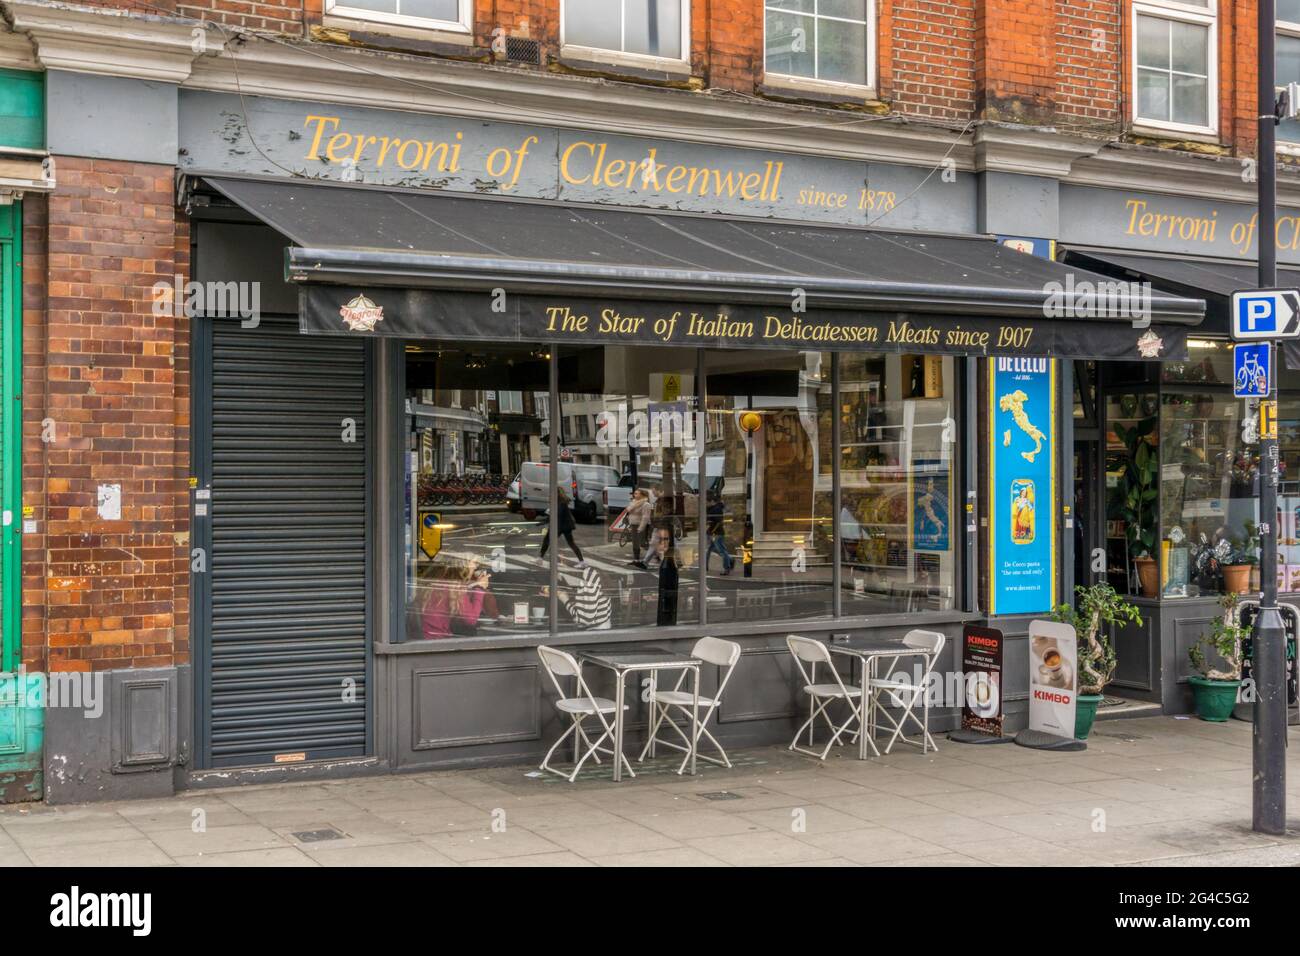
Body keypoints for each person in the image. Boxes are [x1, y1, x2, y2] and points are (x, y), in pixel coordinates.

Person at [421, 557, 490, 639]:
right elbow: (471, 619)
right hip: (436, 638)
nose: (475, 567)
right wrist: (480, 588)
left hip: (426, 635)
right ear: (464, 564)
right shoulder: (454, 587)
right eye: (474, 563)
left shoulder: (439, 581)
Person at [557, 564, 613, 629]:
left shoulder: (589, 574)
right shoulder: (593, 570)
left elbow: (586, 618)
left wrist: (564, 598)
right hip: (601, 629)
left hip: (594, 632)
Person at [539, 485, 584, 564]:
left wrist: (549, 519)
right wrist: (546, 520)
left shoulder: (560, 502)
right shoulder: (560, 501)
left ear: (556, 493)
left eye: (552, 493)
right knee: (571, 543)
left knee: (547, 541)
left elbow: (557, 514)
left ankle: (540, 559)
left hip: (561, 526)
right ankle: (582, 562)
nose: (550, 494)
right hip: (564, 526)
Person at [706, 491, 733, 574]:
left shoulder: (717, 509)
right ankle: (729, 560)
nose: (705, 504)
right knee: (709, 549)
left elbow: (718, 522)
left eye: (706, 502)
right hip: (711, 532)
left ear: (711, 501)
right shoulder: (710, 509)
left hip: (717, 533)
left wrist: (712, 531)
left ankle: (727, 567)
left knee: (721, 550)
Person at [625, 488, 653, 570]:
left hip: (641, 525)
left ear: (642, 495)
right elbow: (629, 512)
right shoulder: (633, 503)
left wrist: (641, 527)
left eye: (637, 493)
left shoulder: (646, 504)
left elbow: (646, 517)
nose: (635, 495)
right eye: (635, 493)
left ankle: (657, 555)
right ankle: (636, 559)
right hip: (633, 525)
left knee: (643, 543)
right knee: (635, 542)